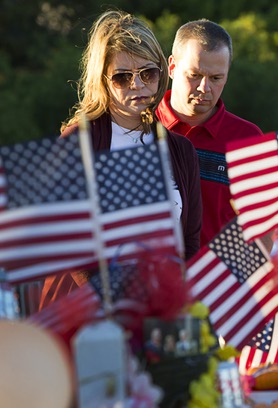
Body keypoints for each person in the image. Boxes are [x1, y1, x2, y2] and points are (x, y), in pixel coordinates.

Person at [39, 10, 202, 308]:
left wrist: (168, 303)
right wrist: (116, 303)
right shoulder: (78, 143)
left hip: (158, 317)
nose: (137, 85)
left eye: (148, 73)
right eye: (123, 77)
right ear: (102, 79)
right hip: (84, 315)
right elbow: (66, 241)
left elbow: (189, 243)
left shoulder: (181, 150)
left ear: (162, 72)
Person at [156, 19, 263, 246]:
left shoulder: (248, 138)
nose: (205, 88)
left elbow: (262, 231)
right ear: (172, 67)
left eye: (216, 78)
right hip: (143, 278)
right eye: (194, 75)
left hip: (217, 278)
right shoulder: (136, 124)